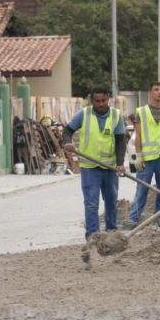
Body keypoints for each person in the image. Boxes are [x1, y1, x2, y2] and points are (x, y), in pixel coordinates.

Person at [63, 88, 126, 240]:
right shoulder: (83, 114)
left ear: (108, 99)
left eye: (103, 101)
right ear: (92, 101)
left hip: (110, 168)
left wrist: (120, 163)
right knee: (91, 203)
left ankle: (112, 232)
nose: (100, 104)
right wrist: (67, 142)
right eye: (97, 101)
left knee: (111, 201)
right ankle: (93, 235)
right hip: (90, 167)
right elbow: (67, 131)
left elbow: (120, 141)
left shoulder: (116, 116)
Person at [122, 82, 160, 229]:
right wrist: (138, 155)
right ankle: (133, 218)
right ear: (150, 92)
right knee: (142, 188)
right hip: (147, 159)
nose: (159, 92)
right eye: (156, 90)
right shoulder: (141, 112)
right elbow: (139, 136)